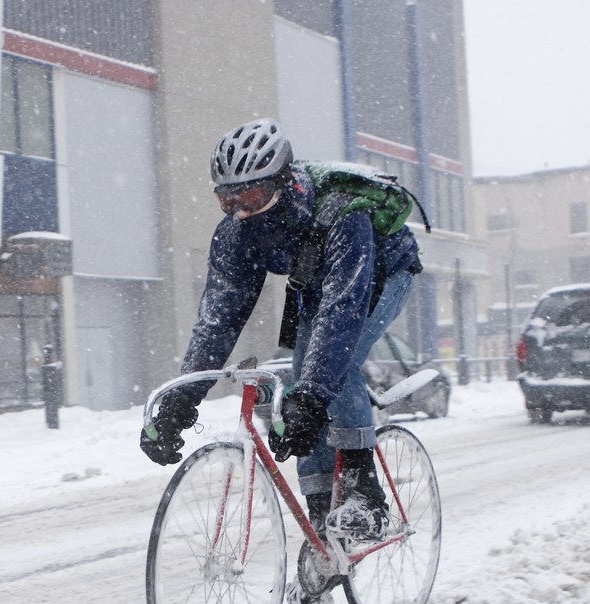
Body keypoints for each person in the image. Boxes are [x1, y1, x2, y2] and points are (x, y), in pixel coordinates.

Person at [139, 118, 422, 553]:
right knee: (299, 382)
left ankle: (365, 493)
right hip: (317, 277)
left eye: (251, 195)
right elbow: (217, 322)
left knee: (329, 370)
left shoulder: (342, 212)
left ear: (284, 182)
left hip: (382, 271)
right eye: (227, 199)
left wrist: (312, 398)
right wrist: (181, 401)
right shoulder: (237, 235)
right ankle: (323, 526)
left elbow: (342, 314)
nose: (241, 211)